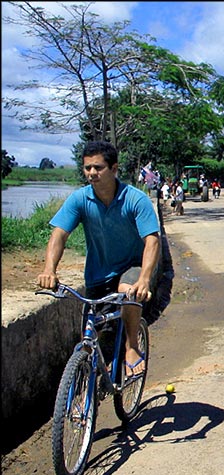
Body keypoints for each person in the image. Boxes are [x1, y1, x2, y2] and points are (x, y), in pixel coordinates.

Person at [36, 140, 160, 378]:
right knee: (92, 336)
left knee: (128, 290)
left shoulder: (135, 199)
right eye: (87, 168)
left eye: (98, 167)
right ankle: (85, 387)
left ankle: (132, 346)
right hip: (98, 272)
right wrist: (49, 269)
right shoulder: (80, 199)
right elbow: (59, 234)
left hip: (132, 265)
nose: (92, 173)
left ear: (114, 169)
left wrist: (144, 278)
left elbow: (152, 241)